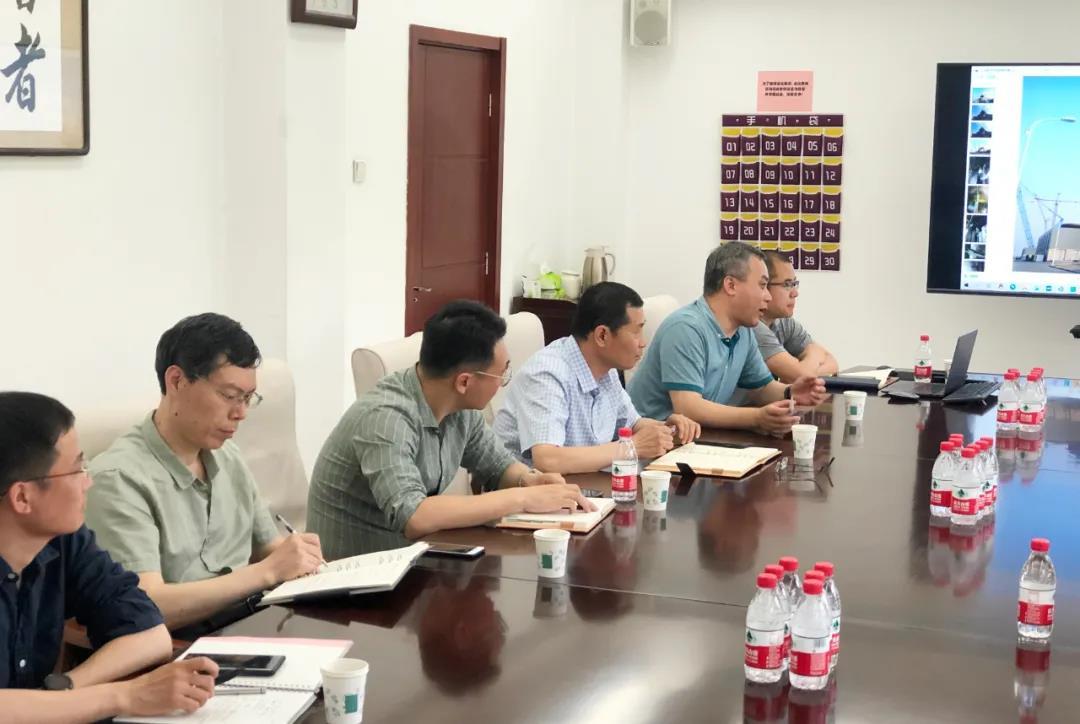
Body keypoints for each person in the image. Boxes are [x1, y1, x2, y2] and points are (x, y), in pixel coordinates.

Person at [85, 314, 323, 631]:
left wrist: (304, 560)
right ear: (176, 381)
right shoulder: (118, 479)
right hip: (180, 646)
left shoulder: (228, 456)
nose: (241, 413)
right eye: (229, 396)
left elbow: (268, 547)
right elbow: (145, 606)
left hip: (253, 624)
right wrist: (267, 572)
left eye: (248, 398)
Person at [307, 300, 595, 559]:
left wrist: (529, 480)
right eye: (501, 373)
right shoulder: (386, 418)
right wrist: (522, 499)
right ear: (464, 382)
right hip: (355, 580)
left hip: (415, 562)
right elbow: (414, 516)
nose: (502, 383)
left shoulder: (459, 407)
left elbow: (498, 466)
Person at [0, 391, 219, 722]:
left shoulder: (63, 539)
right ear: (22, 497)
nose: (88, 482)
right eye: (77, 470)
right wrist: (124, 696)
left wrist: (64, 689)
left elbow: (149, 634)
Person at [494, 282, 700, 474]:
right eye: (636, 332)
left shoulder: (606, 369)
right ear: (602, 335)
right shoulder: (548, 374)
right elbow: (548, 460)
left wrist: (666, 430)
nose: (643, 342)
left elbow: (633, 424)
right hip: (527, 492)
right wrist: (632, 446)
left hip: (584, 486)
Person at [628, 242, 828, 434]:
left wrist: (791, 392)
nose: (768, 296)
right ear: (731, 285)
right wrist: (757, 418)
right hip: (650, 444)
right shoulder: (686, 328)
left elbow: (761, 388)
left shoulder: (743, 331)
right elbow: (688, 407)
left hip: (699, 438)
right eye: (762, 285)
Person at [754, 251, 839, 383]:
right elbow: (800, 375)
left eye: (794, 284)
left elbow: (832, 363)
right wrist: (814, 353)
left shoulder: (785, 323)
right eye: (787, 284)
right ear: (764, 286)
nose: (795, 293)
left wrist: (806, 367)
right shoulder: (752, 327)